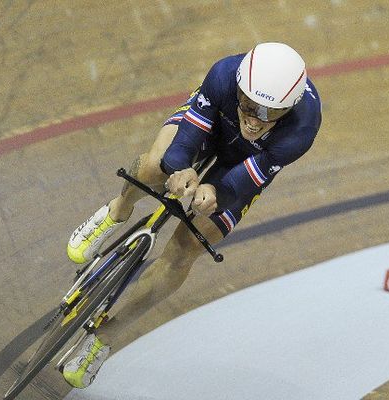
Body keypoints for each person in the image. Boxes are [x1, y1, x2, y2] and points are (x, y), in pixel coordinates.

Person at [62, 42, 322, 389]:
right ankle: (116, 212)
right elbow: (186, 140)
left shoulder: (302, 127)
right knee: (156, 166)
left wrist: (215, 192)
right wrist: (180, 167)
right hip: (211, 126)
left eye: (268, 112)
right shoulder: (224, 74)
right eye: (249, 105)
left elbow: (242, 182)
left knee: (188, 247)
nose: (255, 118)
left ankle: (106, 337)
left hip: (243, 164)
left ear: (288, 109)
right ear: (240, 87)